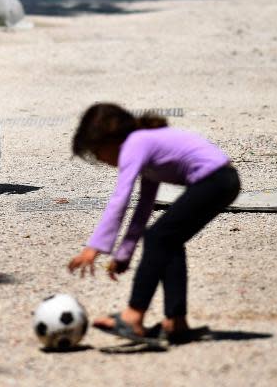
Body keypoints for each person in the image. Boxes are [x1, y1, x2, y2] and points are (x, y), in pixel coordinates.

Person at [67, 103, 240, 345]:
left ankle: (133, 317)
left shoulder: (135, 143)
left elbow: (120, 199)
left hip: (216, 180)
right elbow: (142, 208)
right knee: (168, 239)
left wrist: (94, 248)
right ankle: (175, 322)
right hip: (223, 181)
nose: (98, 158)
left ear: (110, 138)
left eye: (96, 150)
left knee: (159, 237)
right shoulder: (144, 146)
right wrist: (123, 255)